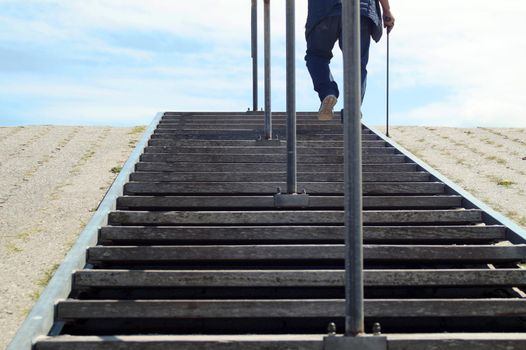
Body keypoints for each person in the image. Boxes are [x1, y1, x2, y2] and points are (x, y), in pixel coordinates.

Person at [305, 0, 395, 120]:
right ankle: (353, 106)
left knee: (317, 55)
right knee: (357, 63)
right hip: (359, 10)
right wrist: (386, 10)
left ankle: (328, 92)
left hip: (323, 10)